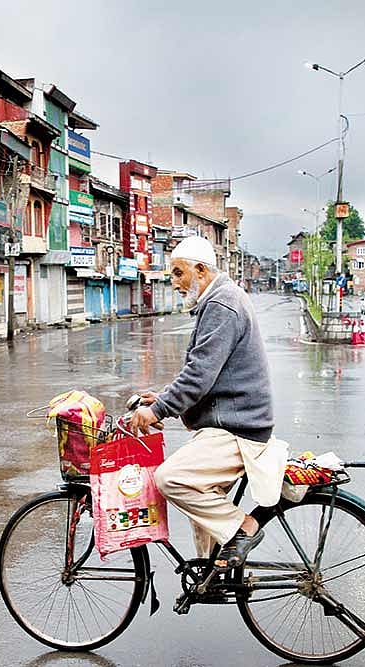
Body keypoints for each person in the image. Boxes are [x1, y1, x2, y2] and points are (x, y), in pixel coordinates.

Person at [130, 236, 286, 569]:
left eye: (177, 273)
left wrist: (157, 410)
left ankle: (245, 527)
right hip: (229, 421)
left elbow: (199, 375)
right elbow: (204, 374)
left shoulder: (221, 304)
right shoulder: (217, 300)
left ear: (200, 270)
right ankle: (212, 575)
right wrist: (164, 399)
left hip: (237, 427)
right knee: (202, 494)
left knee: (170, 478)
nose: (174, 283)